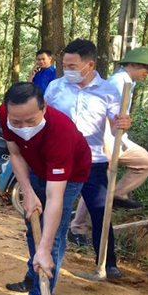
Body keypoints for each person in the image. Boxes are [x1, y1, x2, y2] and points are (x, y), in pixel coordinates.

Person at [0, 83, 91, 295]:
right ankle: (34, 273)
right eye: (17, 122)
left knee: (54, 234)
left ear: (44, 108)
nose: (23, 127)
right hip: (35, 168)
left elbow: (54, 198)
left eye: (30, 121)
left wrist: (45, 249)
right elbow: (16, 153)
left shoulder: (60, 130)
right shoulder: (5, 114)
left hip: (69, 175)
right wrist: (27, 191)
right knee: (32, 223)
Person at [43, 39, 130, 279]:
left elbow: (115, 127)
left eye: (72, 66)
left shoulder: (109, 91)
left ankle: (107, 262)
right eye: (65, 65)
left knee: (101, 212)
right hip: (60, 159)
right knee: (54, 211)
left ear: (89, 65)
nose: (67, 70)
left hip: (93, 161)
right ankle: (46, 264)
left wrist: (122, 123)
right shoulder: (55, 88)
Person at [70, 47, 148, 242]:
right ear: (133, 65)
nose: (147, 72)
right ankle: (80, 226)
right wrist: (106, 145)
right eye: (146, 67)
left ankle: (111, 198)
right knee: (143, 163)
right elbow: (104, 116)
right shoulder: (116, 83)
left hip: (117, 139)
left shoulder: (127, 83)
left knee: (99, 187)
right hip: (107, 141)